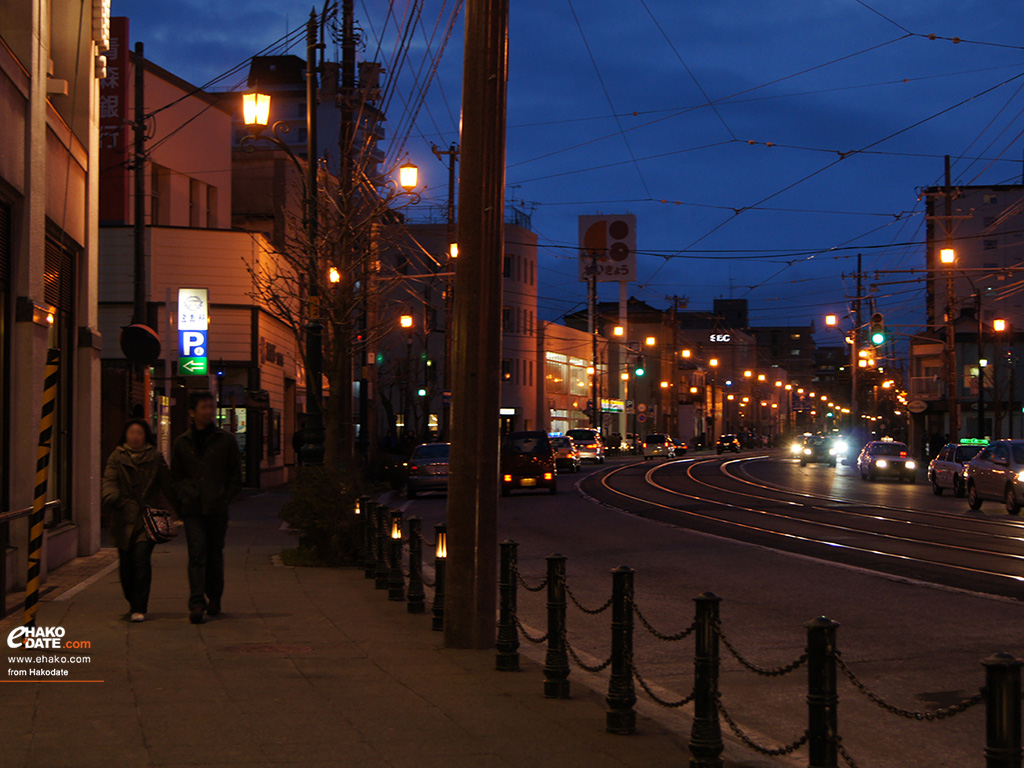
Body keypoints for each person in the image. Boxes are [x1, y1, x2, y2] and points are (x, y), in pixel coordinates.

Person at [171, 390, 242, 624]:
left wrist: (224, 496)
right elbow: (177, 476)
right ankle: (196, 602)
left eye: (212, 407)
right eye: (204, 407)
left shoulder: (225, 440)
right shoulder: (182, 443)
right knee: (197, 552)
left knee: (214, 554)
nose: (209, 411)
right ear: (192, 412)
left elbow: (235, 474)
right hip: (192, 507)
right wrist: (183, 496)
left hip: (217, 507)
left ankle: (215, 597)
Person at [101, 419, 175, 623]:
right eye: (132, 433)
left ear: (145, 436)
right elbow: (109, 481)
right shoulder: (117, 457)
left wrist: (179, 508)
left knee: (141, 559)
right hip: (123, 518)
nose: (135, 437)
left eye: (139, 433)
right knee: (126, 565)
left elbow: (168, 484)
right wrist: (111, 497)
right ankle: (132, 599)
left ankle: (139, 606)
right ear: (126, 435)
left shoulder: (155, 457)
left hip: (146, 519)